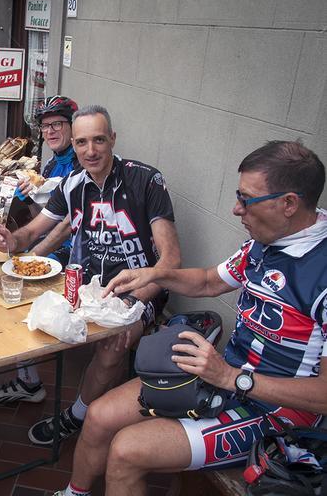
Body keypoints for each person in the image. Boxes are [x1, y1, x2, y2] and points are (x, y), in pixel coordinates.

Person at [52, 141, 327, 496]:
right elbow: (210, 281)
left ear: (289, 203)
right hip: (225, 377)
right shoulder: (266, 242)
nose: (236, 209)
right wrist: (154, 274)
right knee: (100, 415)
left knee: (126, 451)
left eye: (247, 199)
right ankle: (74, 492)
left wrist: (232, 378)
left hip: (277, 412)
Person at [0, 105, 181, 446]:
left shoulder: (146, 179)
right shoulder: (72, 184)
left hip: (139, 290)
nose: (91, 151)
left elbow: (171, 260)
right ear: (73, 145)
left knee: (113, 345)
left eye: (99, 140)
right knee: (19, 305)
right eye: (82, 142)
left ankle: (78, 414)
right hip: (83, 284)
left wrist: (132, 301)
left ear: (112, 139)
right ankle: (28, 381)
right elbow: (30, 234)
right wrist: (10, 240)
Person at [12, 95, 80, 264]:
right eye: (45, 126)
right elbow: (45, 216)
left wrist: (33, 257)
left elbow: (67, 226)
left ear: (73, 126)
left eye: (57, 124)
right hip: (51, 240)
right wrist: (29, 200)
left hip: (76, 247)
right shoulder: (50, 165)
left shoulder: (82, 166)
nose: (49, 131)